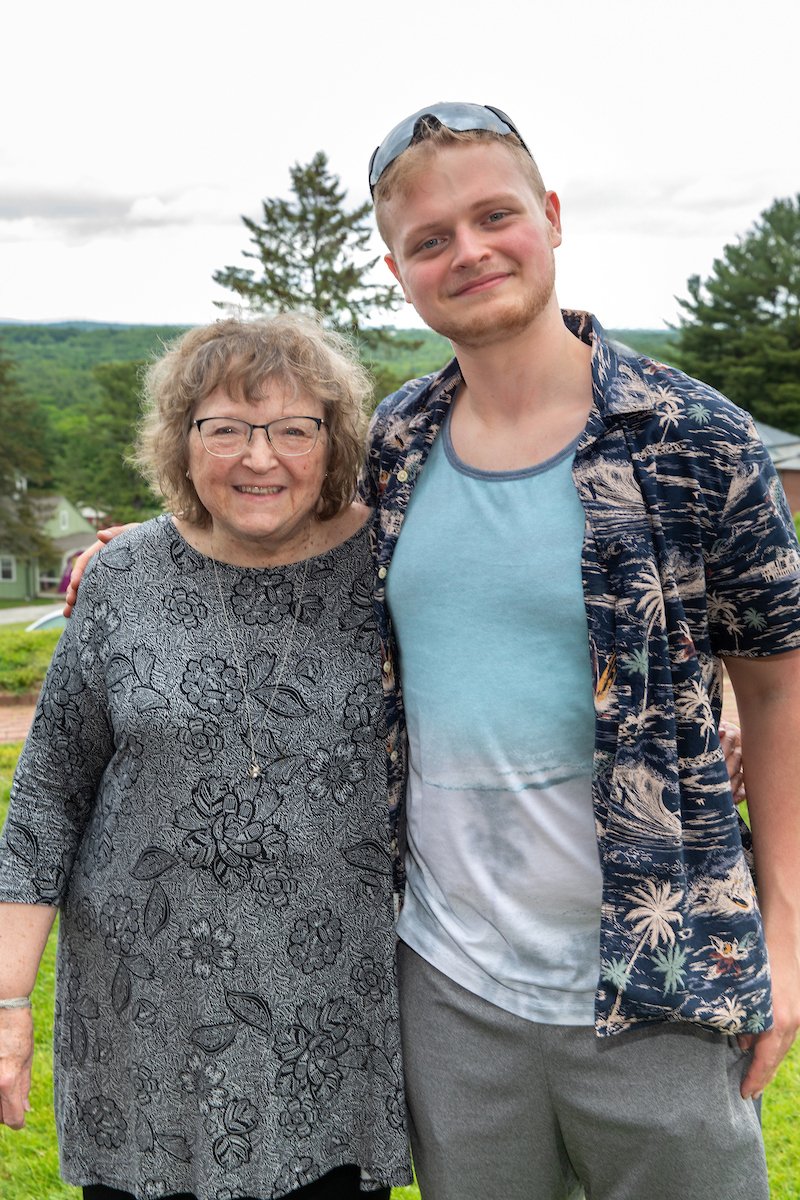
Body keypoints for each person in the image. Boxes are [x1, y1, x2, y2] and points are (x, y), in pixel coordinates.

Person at [357, 103, 800, 1199]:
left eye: (493, 215)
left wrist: (784, 933)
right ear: (397, 270)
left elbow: (780, 686)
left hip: (659, 978)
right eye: (428, 239)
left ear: (549, 219)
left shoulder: (693, 439)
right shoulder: (396, 444)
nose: (467, 251)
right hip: (449, 988)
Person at [0, 314, 411, 1200]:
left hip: (329, 1021)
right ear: (181, 444)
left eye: (293, 429)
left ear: (333, 443)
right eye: (224, 427)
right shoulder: (122, 577)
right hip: (141, 1021)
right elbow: (45, 799)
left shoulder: (392, 568)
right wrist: (6, 1004)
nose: (258, 457)